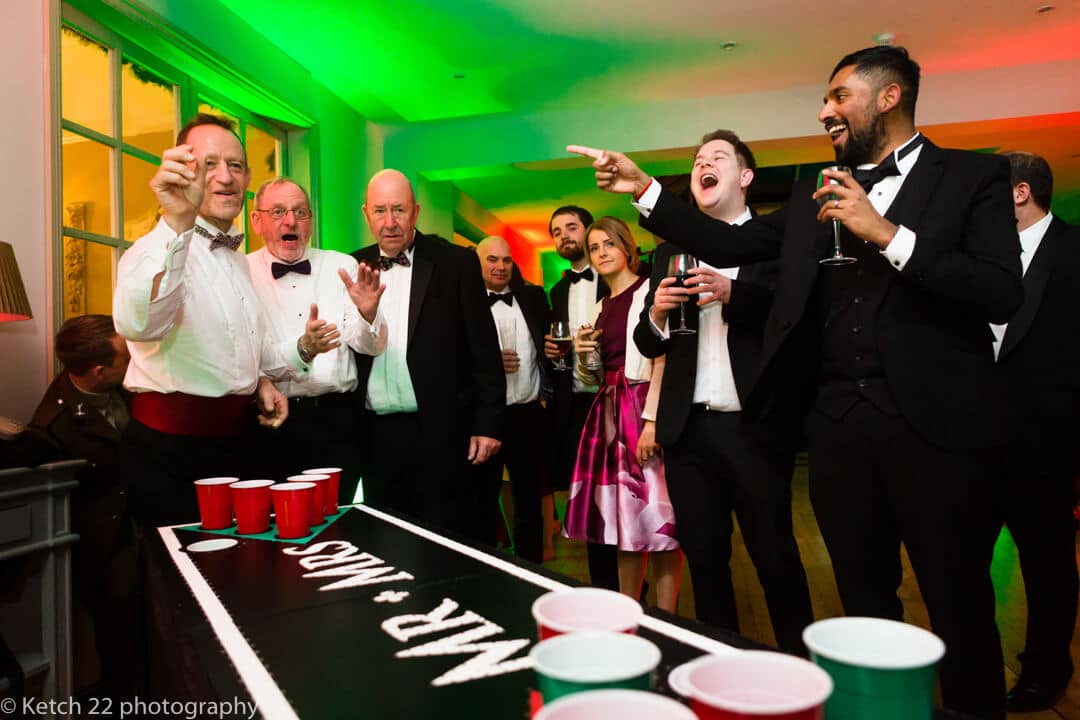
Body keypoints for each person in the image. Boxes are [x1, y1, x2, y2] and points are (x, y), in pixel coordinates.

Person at [571, 45, 1022, 719]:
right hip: (838, 430)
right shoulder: (819, 186)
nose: (825, 111)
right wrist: (643, 187)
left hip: (939, 431)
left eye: (840, 96)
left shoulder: (973, 177)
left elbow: (998, 291)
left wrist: (886, 232)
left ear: (889, 97)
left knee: (958, 601)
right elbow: (729, 244)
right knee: (862, 602)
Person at [632, 130, 813, 654]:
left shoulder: (777, 244)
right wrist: (658, 314)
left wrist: (735, 293)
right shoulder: (670, 249)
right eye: (697, 160)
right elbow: (646, 342)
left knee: (775, 557)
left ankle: (800, 668)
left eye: (717, 158)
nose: (703, 165)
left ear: (745, 177)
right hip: (688, 433)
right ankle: (718, 664)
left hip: (753, 427)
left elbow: (793, 321)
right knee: (706, 560)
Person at [112, 113, 339, 528]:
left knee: (244, 577)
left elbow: (246, 351)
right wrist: (176, 223)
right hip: (170, 454)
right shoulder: (148, 251)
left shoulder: (237, 260)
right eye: (208, 165)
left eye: (235, 166)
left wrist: (276, 370)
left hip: (240, 447)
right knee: (181, 583)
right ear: (183, 171)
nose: (225, 177)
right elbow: (138, 324)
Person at [351, 169, 504, 540]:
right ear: (366, 214)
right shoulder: (350, 266)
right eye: (380, 211)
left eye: (400, 210)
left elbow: (484, 349)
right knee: (388, 542)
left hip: (441, 432)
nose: (390, 222)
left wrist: (488, 423)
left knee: (445, 540)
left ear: (416, 212)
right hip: (376, 438)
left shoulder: (456, 263)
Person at [992, 151, 1080, 712]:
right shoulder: (977, 258)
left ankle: (1047, 670)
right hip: (973, 442)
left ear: (1020, 193)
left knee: (1046, 566)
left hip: (1047, 445)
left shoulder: (1074, 252)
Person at [563, 216, 681, 612]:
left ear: (627, 248)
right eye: (595, 248)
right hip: (609, 412)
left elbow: (664, 358)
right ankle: (630, 613)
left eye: (608, 244)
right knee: (624, 524)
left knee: (660, 522)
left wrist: (652, 421)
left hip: (642, 407)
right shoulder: (600, 306)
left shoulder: (649, 290)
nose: (601, 253)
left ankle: (668, 616)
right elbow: (595, 376)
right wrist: (583, 357)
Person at [247, 177, 384, 504]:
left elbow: (368, 346)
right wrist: (302, 348)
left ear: (310, 220)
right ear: (257, 221)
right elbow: (239, 351)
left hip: (336, 423)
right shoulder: (242, 271)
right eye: (278, 211)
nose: (290, 221)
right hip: (270, 424)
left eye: (300, 212)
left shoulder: (341, 266)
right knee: (276, 530)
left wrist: (368, 315)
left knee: (337, 525)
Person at [27, 315, 135, 700]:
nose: (134, 358)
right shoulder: (56, 424)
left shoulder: (125, 386)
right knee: (121, 633)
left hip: (139, 521)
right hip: (104, 542)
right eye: (125, 356)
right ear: (99, 371)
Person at [543, 205, 619, 588]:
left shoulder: (614, 280)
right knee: (589, 500)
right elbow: (554, 351)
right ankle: (603, 584)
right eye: (557, 231)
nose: (564, 237)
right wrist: (552, 353)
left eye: (571, 228)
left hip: (615, 400)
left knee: (622, 494)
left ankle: (637, 587)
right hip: (574, 405)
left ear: (589, 231)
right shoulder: (555, 292)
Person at [471, 235, 552, 562]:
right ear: (478, 263)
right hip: (486, 417)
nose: (500, 266)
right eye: (492, 260)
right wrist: (488, 360)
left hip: (528, 413)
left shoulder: (533, 297)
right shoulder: (465, 302)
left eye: (506, 260)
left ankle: (532, 569)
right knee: (482, 500)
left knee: (529, 500)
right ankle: (487, 569)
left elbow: (549, 348)